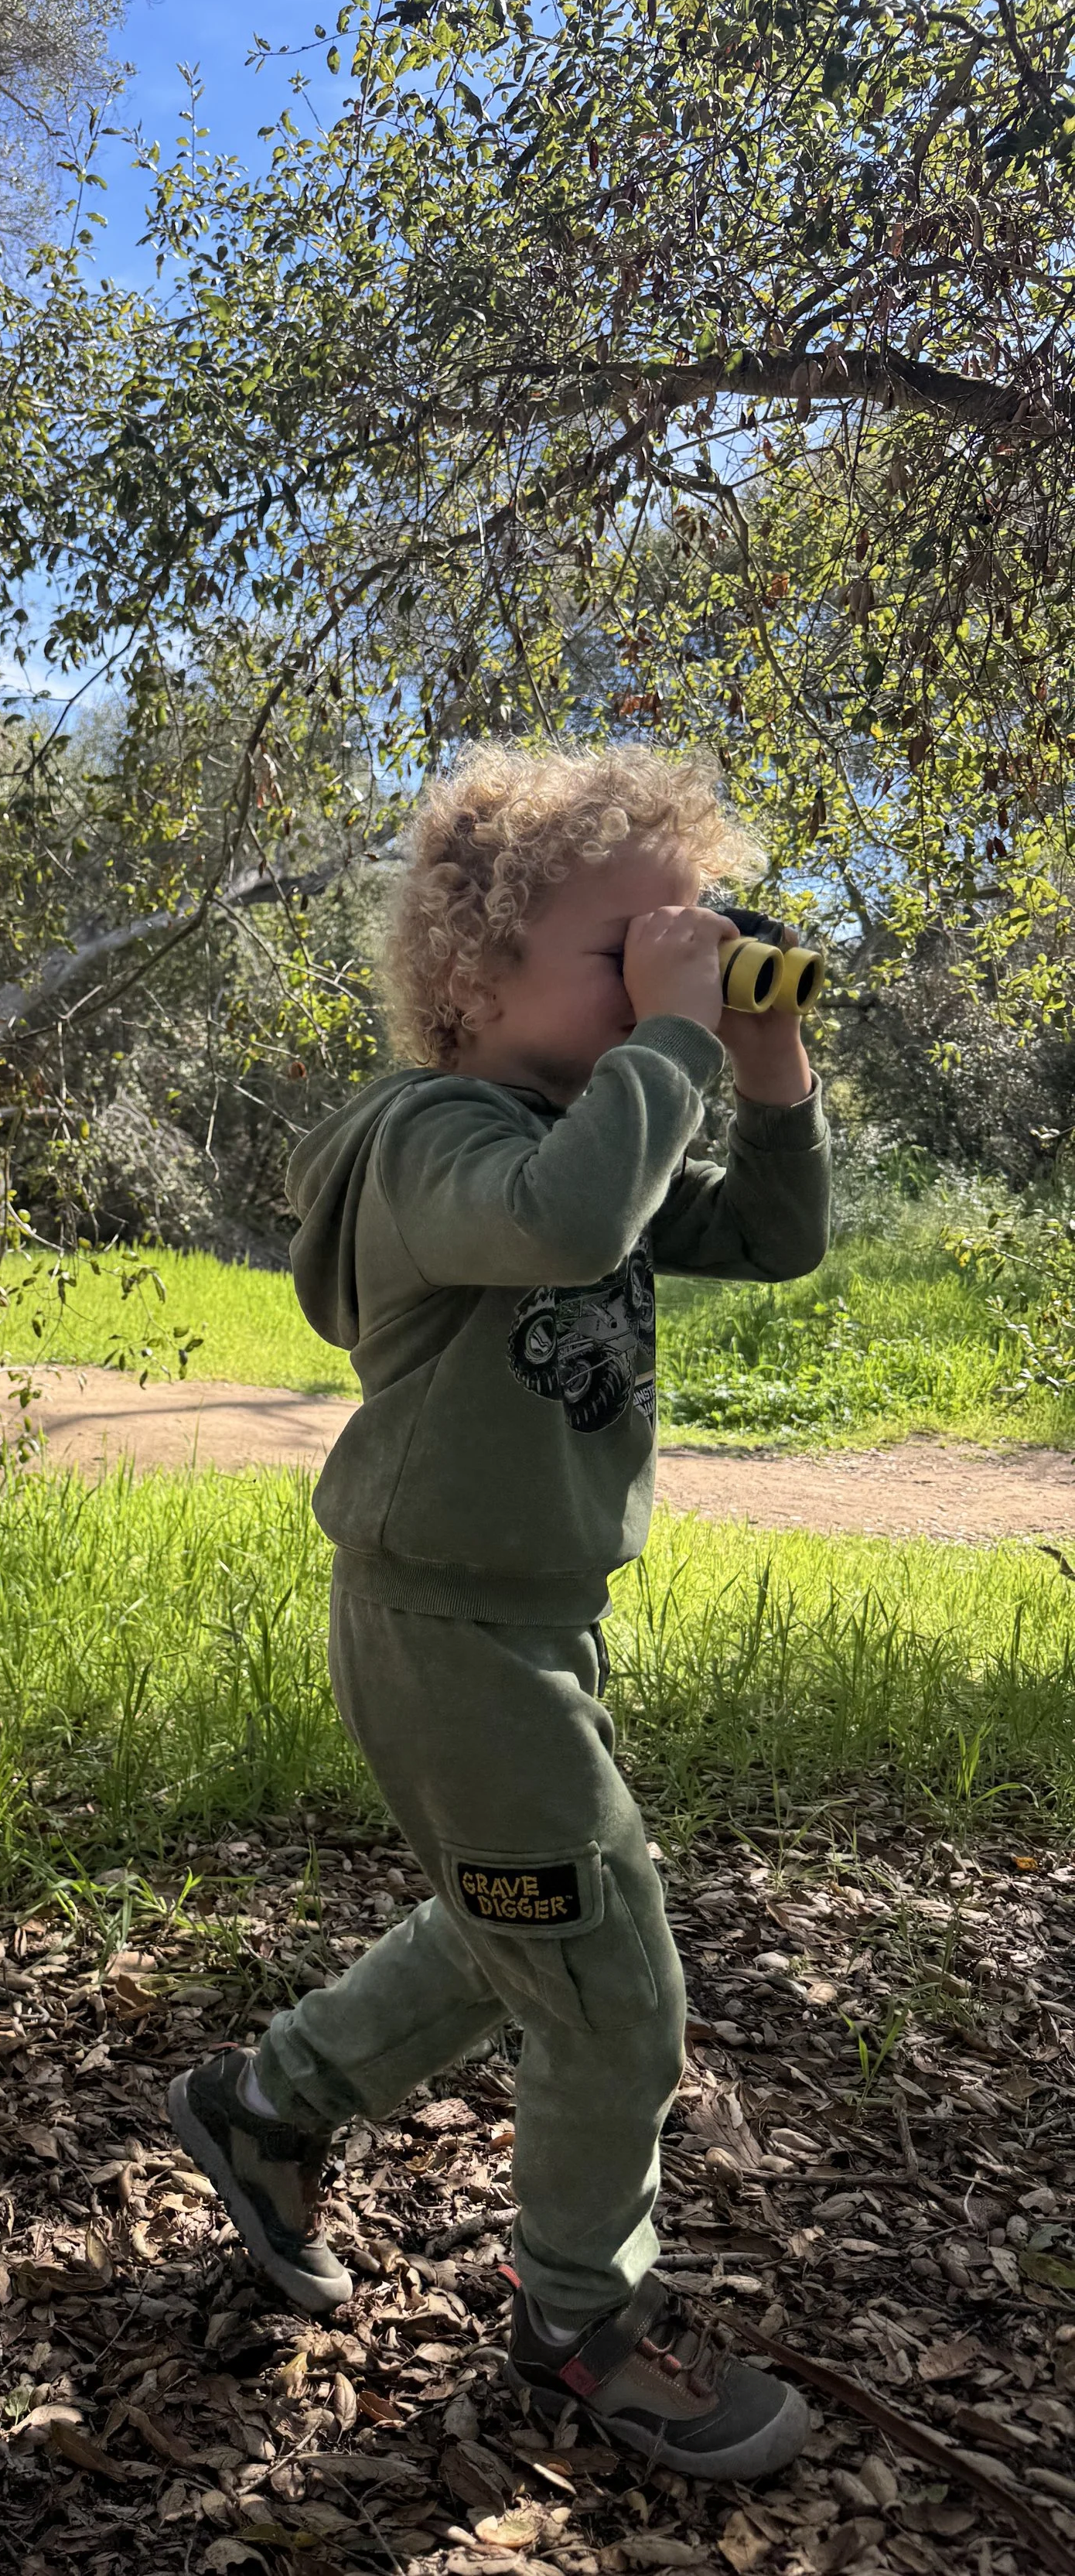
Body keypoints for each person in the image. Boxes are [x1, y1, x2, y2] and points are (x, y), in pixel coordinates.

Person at [169, 745, 831, 2481]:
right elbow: (563, 1224)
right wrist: (676, 1041)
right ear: (471, 974)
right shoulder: (436, 1142)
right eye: (627, 948)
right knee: (612, 1991)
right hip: (446, 1633)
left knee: (515, 1922)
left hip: (537, 1621)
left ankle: (265, 2104)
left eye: (690, 938)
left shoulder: (591, 1131)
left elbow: (774, 1240)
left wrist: (762, 1065)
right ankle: (579, 2320)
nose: (673, 969)